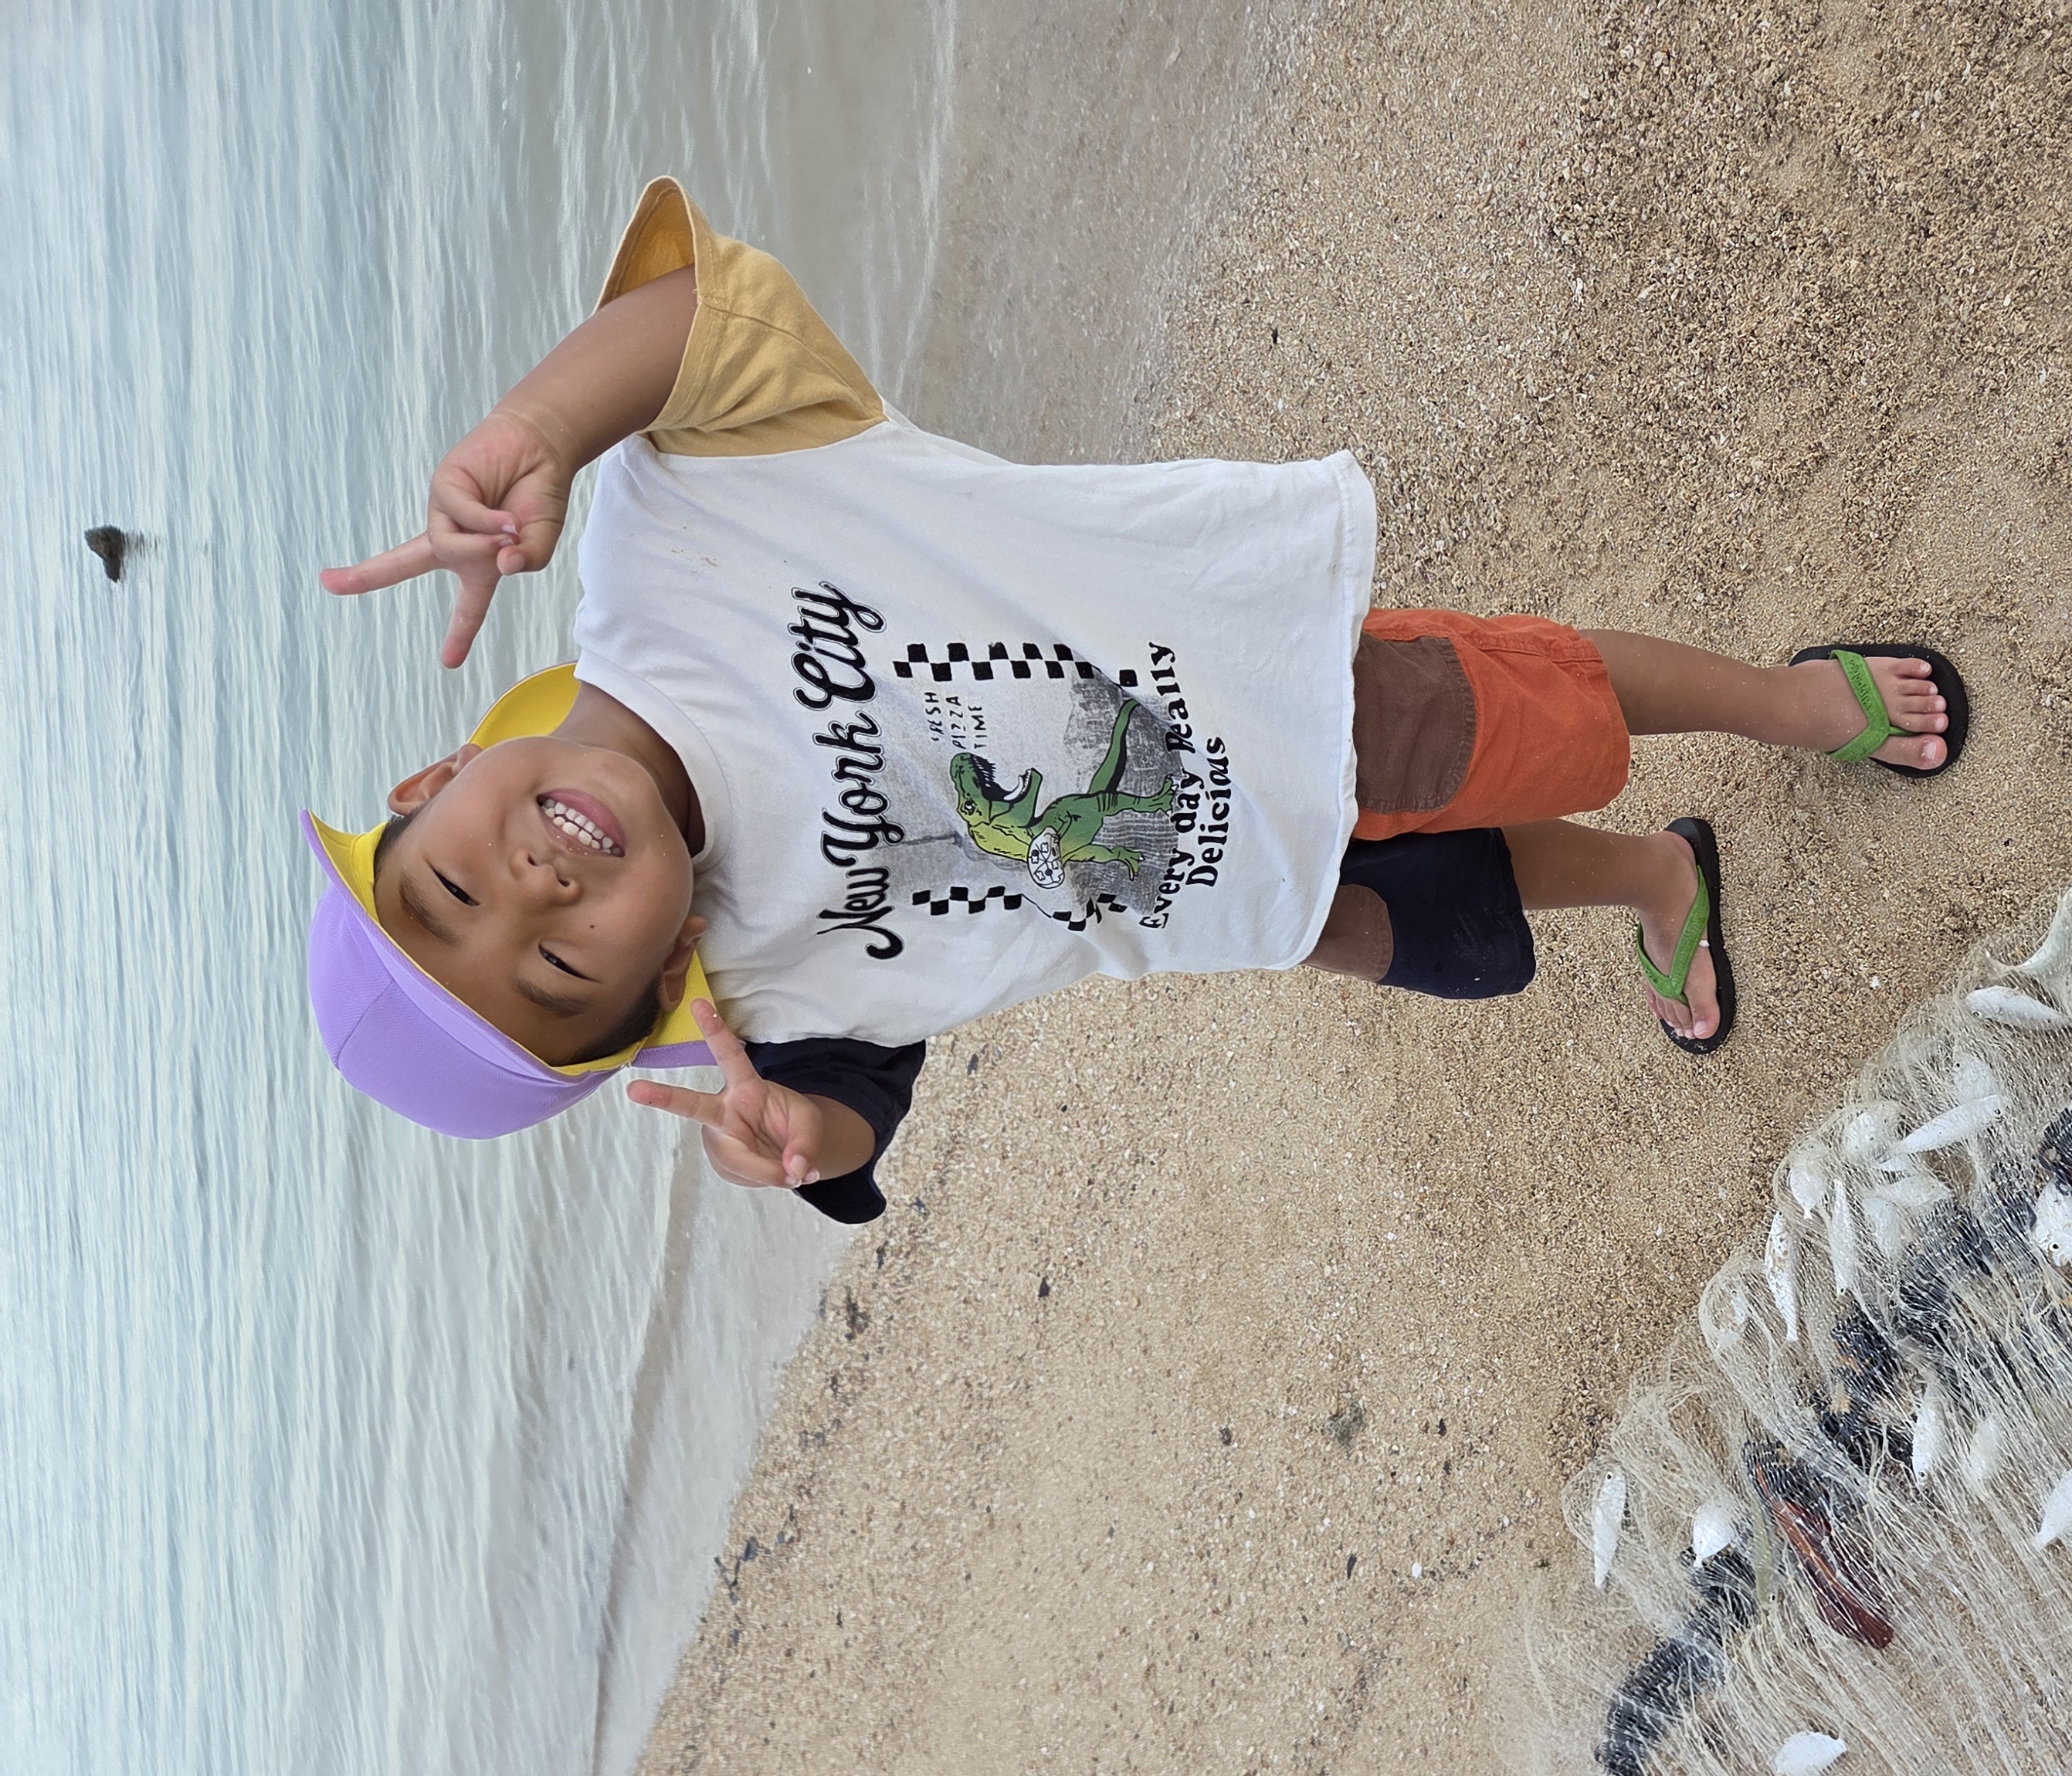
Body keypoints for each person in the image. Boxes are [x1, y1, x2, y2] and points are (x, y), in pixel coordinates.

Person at [309, 179, 1971, 1222]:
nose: (529, 892)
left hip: (1264, 676)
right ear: (647, 993)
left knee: (1529, 708)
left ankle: (1783, 706)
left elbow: (692, 327)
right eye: (548, 971)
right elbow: (864, 1091)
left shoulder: (675, 542)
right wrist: (805, 1137)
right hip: (1227, 888)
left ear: (433, 774)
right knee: (1441, 900)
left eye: (451, 882)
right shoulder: (752, 985)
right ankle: (1652, 877)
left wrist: (538, 431)